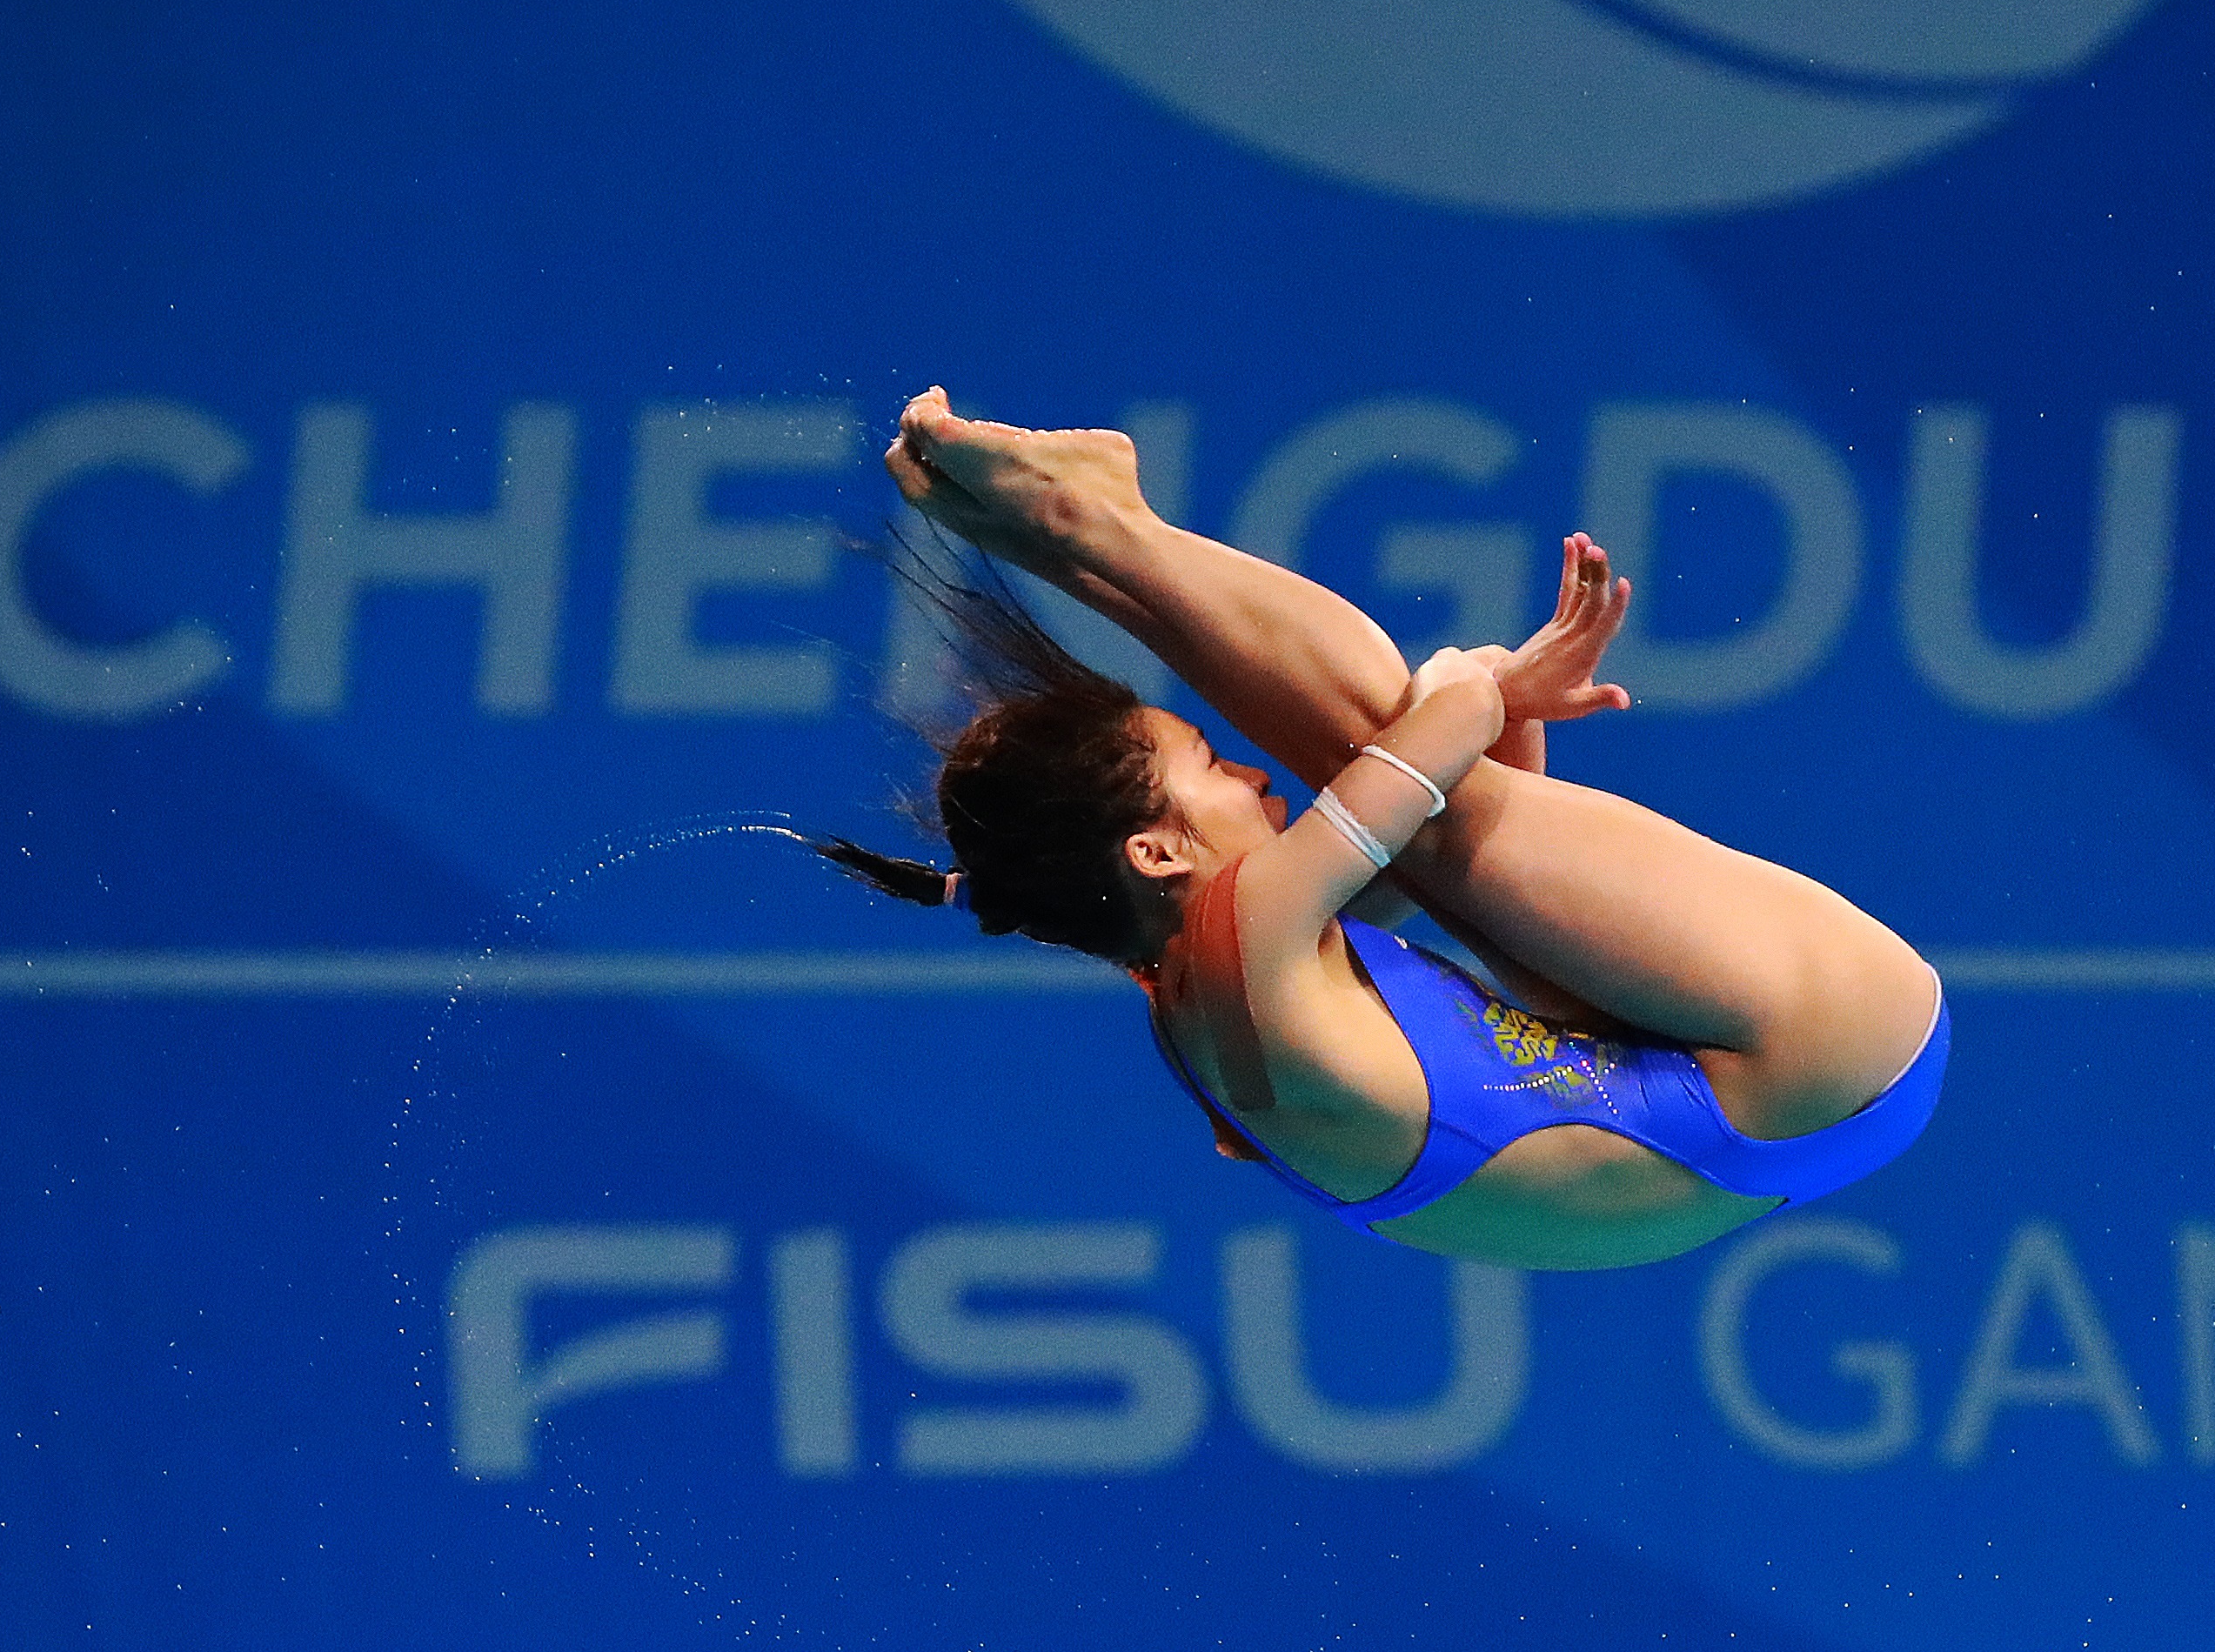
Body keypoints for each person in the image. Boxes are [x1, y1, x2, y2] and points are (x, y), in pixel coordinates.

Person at [814, 391, 1946, 1272]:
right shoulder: (1248, 935)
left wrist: (1493, 717)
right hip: (1812, 1053)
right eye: (1209, 767)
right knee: (1393, 749)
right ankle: (1090, 525)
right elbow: (1428, 750)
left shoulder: (1202, 1001)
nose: (1249, 772)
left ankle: (1086, 533)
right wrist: (1485, 680)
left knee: (1432, 818)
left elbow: (1446, 840)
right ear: (1154, 853)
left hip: (1767, 1123)